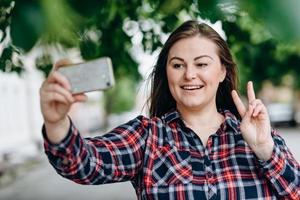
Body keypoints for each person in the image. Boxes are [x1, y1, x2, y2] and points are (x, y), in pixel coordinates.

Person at [40, 20, 300, 199]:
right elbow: (83, 163)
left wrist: (266, 151)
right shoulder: (147, 136)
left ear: (222, 71)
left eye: (201, 64)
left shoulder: (258, 136)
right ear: (167, 72)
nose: (189, 75)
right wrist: (56, 123)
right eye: (177, 65)